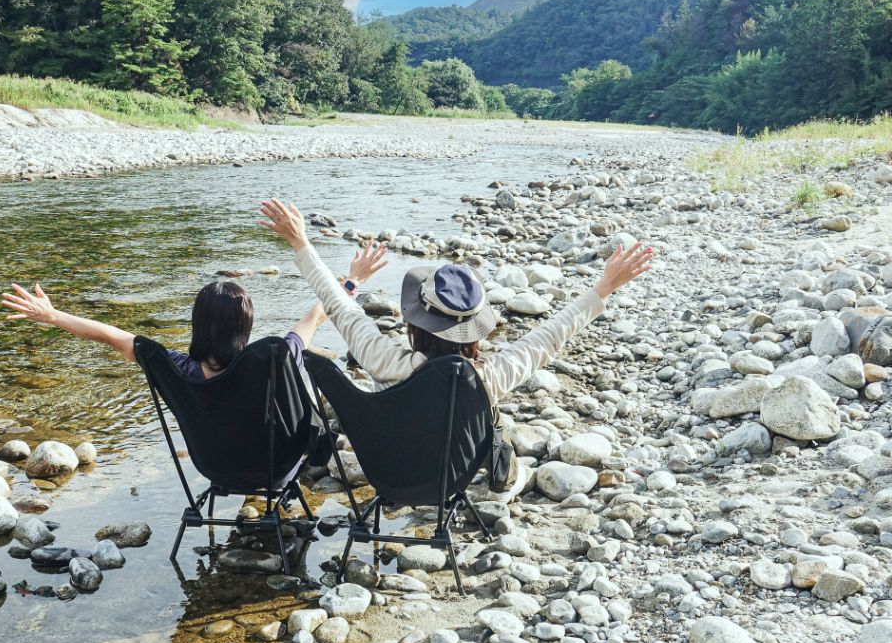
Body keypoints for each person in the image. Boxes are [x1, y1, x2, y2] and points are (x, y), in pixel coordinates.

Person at [258, 198, 653, 491]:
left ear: (415, 324)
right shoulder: (488, 378)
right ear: (474, 331)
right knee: (495, 420)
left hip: (386, 474)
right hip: (450, 479)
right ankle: (505, 480)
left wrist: (302, 244)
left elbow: (340, 307)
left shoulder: (384, 360)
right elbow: (547, 338)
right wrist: (602, 288)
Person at [0, 244, 390, 380]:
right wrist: (353, 281)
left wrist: (53, 316)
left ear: (197, 324)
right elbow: (317, 316)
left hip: (214, 465)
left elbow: (108, 333)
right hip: (275, 466)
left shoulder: (172, 366)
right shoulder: (276, 356)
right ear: (246, 326)